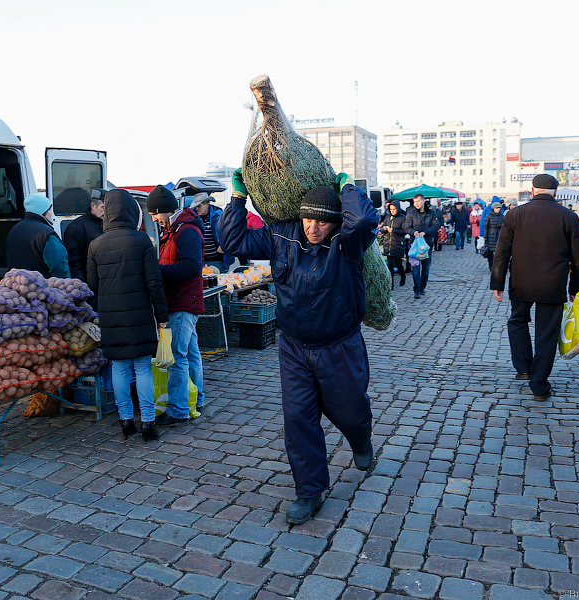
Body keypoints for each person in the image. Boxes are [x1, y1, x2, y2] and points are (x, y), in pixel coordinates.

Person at [218, 169, 378, 525]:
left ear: (335, 223)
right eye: (308, 219)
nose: (313, 228)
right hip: (293, 348)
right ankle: (310, 492)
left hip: (339, 346)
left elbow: (365, 219)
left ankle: (361, 441)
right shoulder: (281, 236)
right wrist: (237, 197)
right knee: (298, 419)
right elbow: (233, 241)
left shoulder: (347, 244)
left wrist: (347, 187)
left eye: (322, 222)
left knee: (349, 411)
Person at [490, 174, 579, 401]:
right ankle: (539, 385)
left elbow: (501, 252)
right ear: (556, 191)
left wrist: (497, 283)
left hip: (521, 282)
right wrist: (576, 288)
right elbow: (578, 258)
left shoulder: (514, 214)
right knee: (547, 333)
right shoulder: (569, 216)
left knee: (517, 321)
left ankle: (523, 368)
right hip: (553, 284)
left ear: (532, 190)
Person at [87, 190, 169, 442]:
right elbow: (154, 282)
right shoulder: (142, 240)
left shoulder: (96, 244)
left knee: (119, 368)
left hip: (111, 316)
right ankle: (147, 423)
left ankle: (125, 421)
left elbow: (93, 285)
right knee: (143, 367)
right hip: (140, 314)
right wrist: (162, 316)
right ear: (133, 212)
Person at [147, 184, 206, 427]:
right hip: (182, 300)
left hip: (183, 302)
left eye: (154, 214)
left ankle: (179, 410)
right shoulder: (174, 230)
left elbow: (191, 267)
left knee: (178, 358)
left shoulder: (186, 231)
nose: (153, 219)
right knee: (191, 352)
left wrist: (157, 271)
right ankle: (196, 399)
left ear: (165, 210)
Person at [6, 192, 71, 278]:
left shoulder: (14, 229)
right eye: (48, 210)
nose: (51, 213)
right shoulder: (46, 234)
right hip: (41, 287)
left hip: (18, 284)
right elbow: (59, 265)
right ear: (41, 212)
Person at [63, 188, 105, 283]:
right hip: (88, 282)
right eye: (103, 207)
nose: (106, 212)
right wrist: (81, 284)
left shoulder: (109, 225)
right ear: (93, 205)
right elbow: (73, 259)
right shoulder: (76, 227)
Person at [405, 194, 442, 299]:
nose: (416, 204)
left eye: (418, 201)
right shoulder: (411, 214)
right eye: (415, 202)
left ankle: (422, 288)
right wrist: (413, 232)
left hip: (426, 245)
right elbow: (406, 227)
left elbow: (436, 226)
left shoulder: (431, 213)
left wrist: (425, 232)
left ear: (423, 201)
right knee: (415, 268)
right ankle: (417, 290)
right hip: (414, 245)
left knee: (425, 269)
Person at [189, 192, 234, 273]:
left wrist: (223, 245)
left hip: (217, 260)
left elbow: (230, 232)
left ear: (207, 204)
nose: (197, 208)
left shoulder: (219, 215)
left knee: (219, 282)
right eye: (196, 206)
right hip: (201, 260)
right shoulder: (193, 218)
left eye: (199, 206)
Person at [380, 201, 408, 287]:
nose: (392, 211)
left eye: (394, 209)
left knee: (399, 264)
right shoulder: (387, 217)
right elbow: (382, 229)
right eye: (391, 209)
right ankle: (390, 284)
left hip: (398, 244)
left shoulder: (403, 218)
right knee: (390, 266)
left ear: (398, 209)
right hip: (388, 244)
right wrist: (384, 228)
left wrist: (393, 230)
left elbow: (404, 231)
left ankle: (403, 276)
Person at [482, 201, 504, 270]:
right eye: (497, 208)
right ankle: (491, 266)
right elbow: (485, 227)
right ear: (493, 208)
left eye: (499, 208)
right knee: (490, 253)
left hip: (499, 235)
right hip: (490, 236)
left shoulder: (502, 216)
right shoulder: (489, 216)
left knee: (499, 252)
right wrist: (485, 237)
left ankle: (498, 266)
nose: (498, 209)